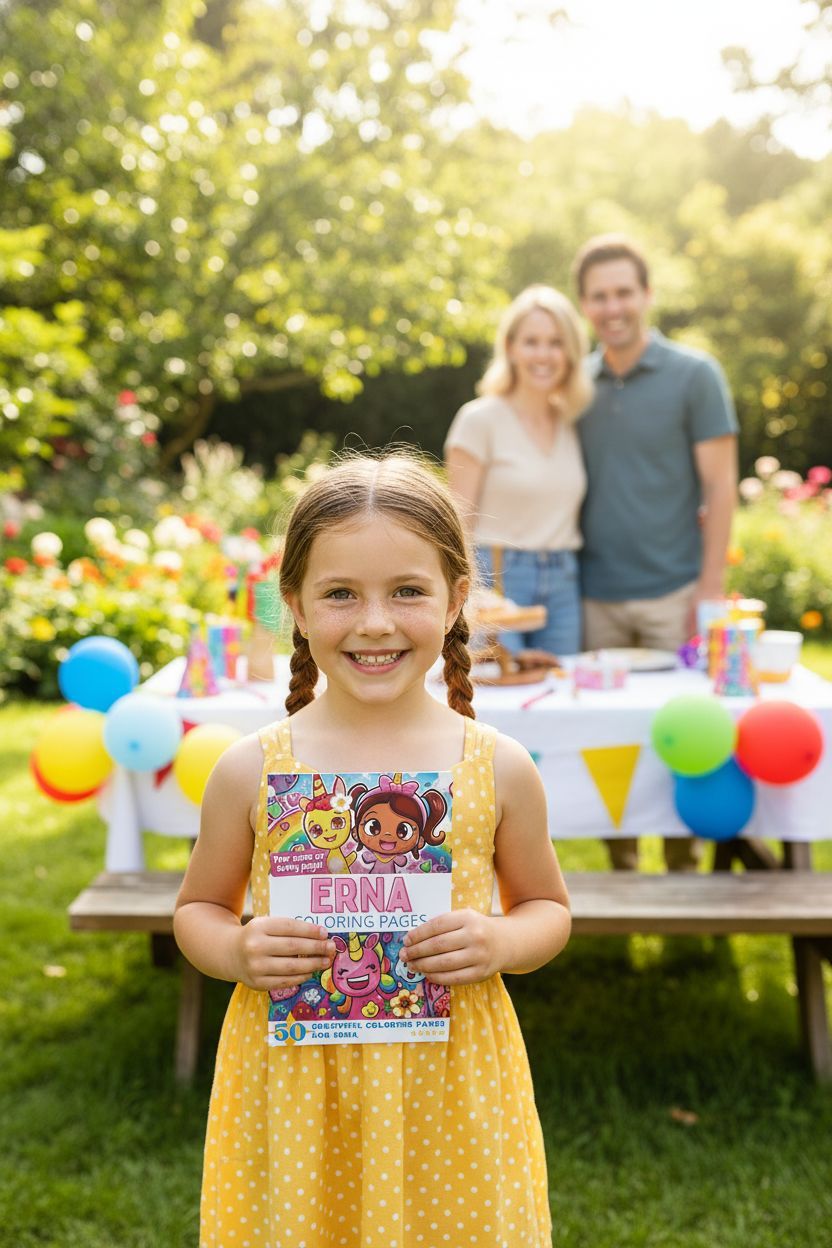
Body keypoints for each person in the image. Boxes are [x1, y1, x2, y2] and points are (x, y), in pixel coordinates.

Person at [174, 451, 571, 1247]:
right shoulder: (252, 769)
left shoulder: (497, 767)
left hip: (452, 1081)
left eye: (408, 591)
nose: (376, 622)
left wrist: (499, 938)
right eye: (341, 594)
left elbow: (548, 910)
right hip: (293, 1091)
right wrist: (238, 950)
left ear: (459, 598)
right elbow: (197, 912)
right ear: (294, 603)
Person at [573, 234, 738, 872]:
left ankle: (682, 870)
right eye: (598, 296)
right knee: (608, 741)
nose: (612, 307)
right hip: (593, 593)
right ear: (584, 305)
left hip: (675, 588)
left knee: (681, 737)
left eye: (623, 293)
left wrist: (709, 586)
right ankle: (621, 872)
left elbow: (721, 484)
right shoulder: (573, 384)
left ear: (646, 295)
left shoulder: (695, 375)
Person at [445, 285, 593, 656]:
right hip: (495, 576)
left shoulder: (572, 423)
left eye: (556, 342)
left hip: (563, 579)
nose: (543, 354)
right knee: (494, 694)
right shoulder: (479, 419)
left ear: (571, 352)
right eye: (531, 342)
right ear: (510, 347)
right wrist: (469, 592)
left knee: (561, 693)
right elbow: (456, 522)